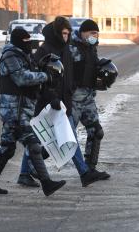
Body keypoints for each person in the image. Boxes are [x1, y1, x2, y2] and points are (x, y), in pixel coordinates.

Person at [18, 16, 108, 188]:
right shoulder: (46, 50)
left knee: (41, 139)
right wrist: (52, 96)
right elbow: (41, 77)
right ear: (57, 33)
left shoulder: (65, 49)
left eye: (68, 34)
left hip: (62, 101)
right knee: (65, 137)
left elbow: (66, 75)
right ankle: (84, 173)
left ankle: (25, 172)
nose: (66, 37)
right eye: (63, 34)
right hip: (48, 102)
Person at [0, 28, 66, 196]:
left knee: (7, 148)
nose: (29, 44)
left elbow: (33, 78)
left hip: (21, 109)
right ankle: (47, 183)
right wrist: (45, 76)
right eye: (25, 41)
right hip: (13, 109)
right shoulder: (10, 56)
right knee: (33, 144)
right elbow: (21, 78)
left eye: (30, 40)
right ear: (18, 41)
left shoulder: (23, 56)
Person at [70, 19, 113, 175]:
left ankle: (90, 168)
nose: (95, 36)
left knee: (96, 131)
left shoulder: (91, 48)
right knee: (64, 137)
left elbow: (93, 69)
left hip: (88, 97)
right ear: (83, 33)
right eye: (92, 33)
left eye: (97, 33)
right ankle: (32, 166)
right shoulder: (71, 48)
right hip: (73, 99)